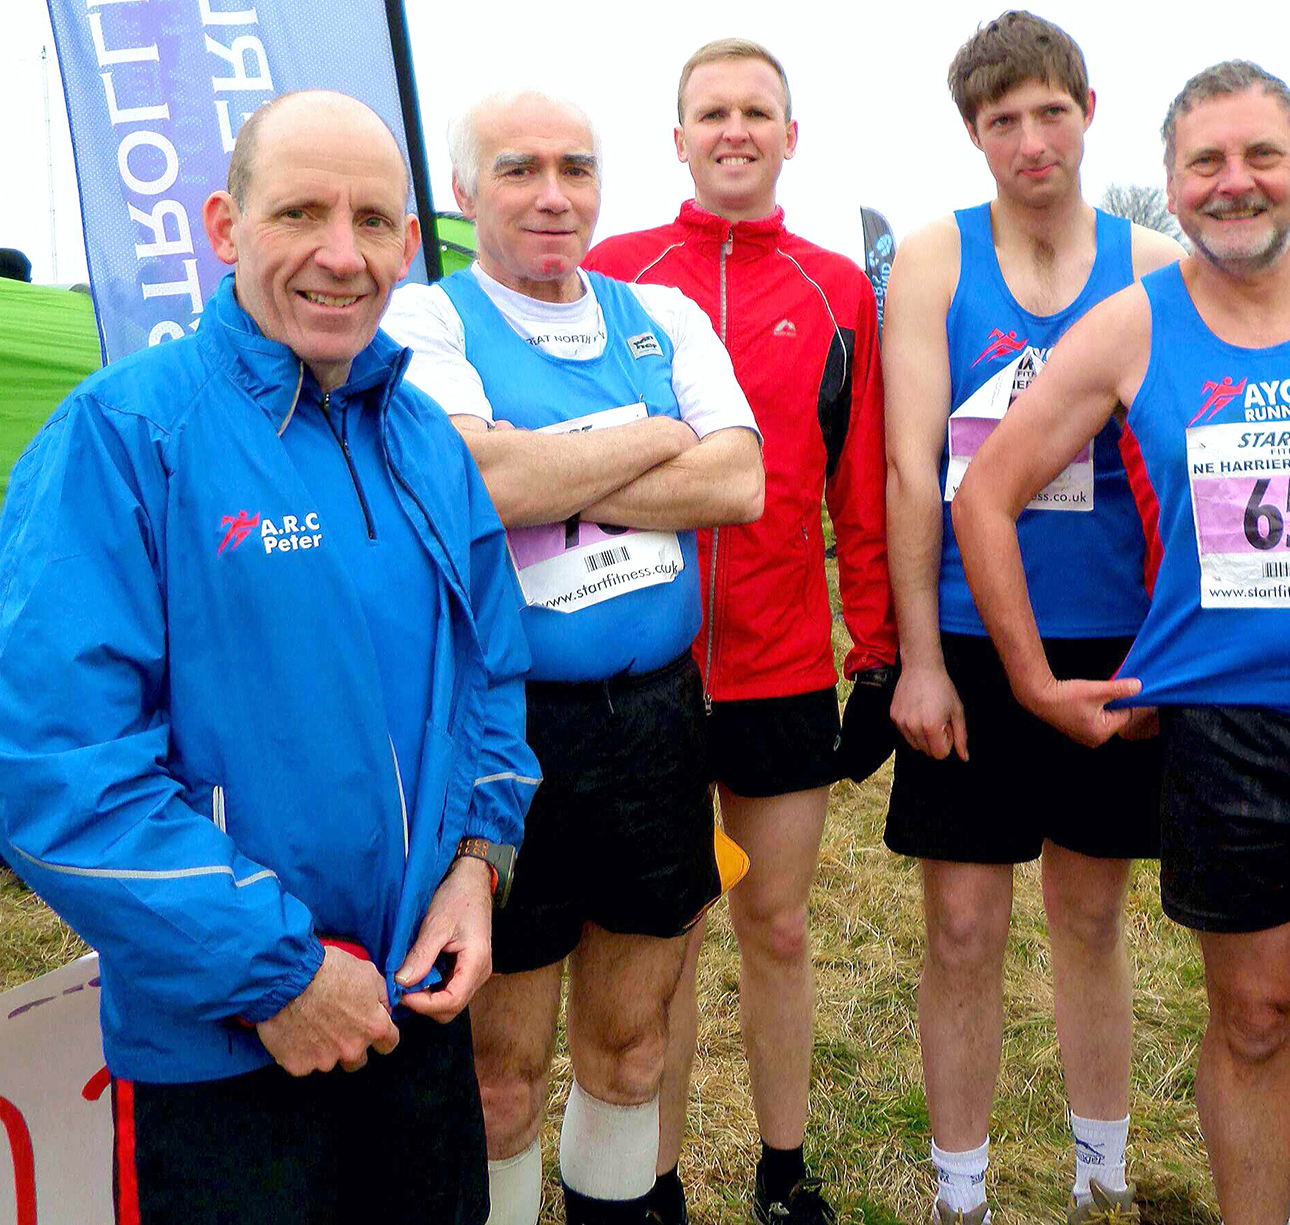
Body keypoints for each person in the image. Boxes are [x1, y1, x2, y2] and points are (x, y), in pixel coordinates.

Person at [951, 60, 1290, 1225]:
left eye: (1258, 157)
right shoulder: (1129, 328)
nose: (1233, 183)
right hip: (1227, 740)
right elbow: (984, 494)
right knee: (1252, 1021)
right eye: (1205, 162)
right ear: (1171, 183)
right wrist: (1035, 682)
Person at [0, 90, 539, 1224]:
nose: (342, 256)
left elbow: (491, 669)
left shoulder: (423, 438)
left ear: (408, 241)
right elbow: (58, 772)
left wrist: (479, 862)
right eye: (301, 212)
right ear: (222, 225)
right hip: (229, 1042)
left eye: (375, 221)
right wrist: (281, 977)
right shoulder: (122, 436)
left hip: (417, 1012)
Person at [380, 90, 764, 1225]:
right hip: (504, 730)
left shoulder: (662, 313)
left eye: (576, 168)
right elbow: (472, 486)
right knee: (500, 1078)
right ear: (461, 195)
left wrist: (537, 457)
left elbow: (738, 483)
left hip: (654, 720)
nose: (553, 195)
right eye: (517, 169)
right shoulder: (431, 322)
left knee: (633, 1044)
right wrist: (652, 439)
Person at [583, 38, 898, 1225]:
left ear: (788, 136)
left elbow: (855, 488)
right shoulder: (615, 271)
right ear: (676, 140)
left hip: (775, 667)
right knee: (656, 938)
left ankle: (781, 1167)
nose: (734, 130)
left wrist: (875, 649)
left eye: (756, 111)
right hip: (638, 666)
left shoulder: (834, 287)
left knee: (773, 920)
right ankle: (646, 1179)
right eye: (711, 112)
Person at [879, 13, 1183, 1223]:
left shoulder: (1154, 265)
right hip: (964, 632)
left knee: (1092, 911)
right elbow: (911, 472)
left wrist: (1176, 648)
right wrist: (916, 659)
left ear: (1088, 110)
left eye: (1049, 111)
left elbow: (1183, 472)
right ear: (973, 134)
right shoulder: (935, 259)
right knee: (960, 924)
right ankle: (961, 1188)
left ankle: (1101, 1171)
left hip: (1113, 633)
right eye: (1001, 120)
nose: (1029, 139)